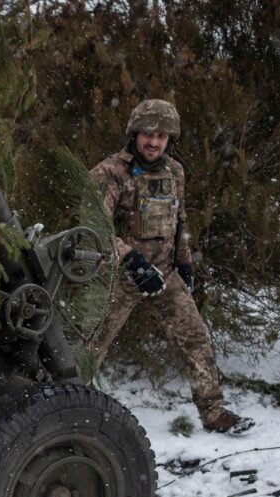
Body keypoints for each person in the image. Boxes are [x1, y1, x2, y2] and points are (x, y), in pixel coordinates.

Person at [86, 98, 254, 435]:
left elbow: (179, 220)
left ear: (169, 139)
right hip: (119, 278)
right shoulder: (109, 173)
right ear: (134, 134)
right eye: (148, 133)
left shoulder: (174, 171)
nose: (153, 141)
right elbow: (93, 228)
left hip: (165, 275)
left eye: (162, 136)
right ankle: (62, 415)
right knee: (87, 349)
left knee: (195, 339)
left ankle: (213, 413)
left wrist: (184, 261)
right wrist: (130, 260)